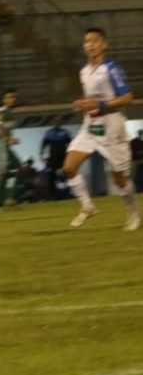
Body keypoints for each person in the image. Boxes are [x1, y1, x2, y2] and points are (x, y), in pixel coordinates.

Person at [64, 28, 139, 231]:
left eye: (95, 41)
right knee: (69, 168)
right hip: (91, 127)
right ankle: (88, 206)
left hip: (112, 129)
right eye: (86, 41)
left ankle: (133, 213)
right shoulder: (84, 71)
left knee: (119, 179)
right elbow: (93, 101)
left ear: (104, 44)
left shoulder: (111, 69)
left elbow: (127, 98)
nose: (90, 45)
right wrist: (83, 103)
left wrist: (101, 105)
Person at [0, 89, 21, 210]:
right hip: (2, 147)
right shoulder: (1, 112)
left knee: (20, 169)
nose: (12, 99)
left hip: (7, 147)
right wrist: (9, 139)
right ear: (3, 100)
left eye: (13, 97)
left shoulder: (10, 112)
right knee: (1, 175)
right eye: (9, 97)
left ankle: (10, 198)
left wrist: (10, 140)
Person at [40, 118, 73, 200]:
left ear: (61, 123)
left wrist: (71, 154)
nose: (57, 123)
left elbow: (71, 143)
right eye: (55, 122)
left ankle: (68, 193)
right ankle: (51, 195)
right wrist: (42, 154)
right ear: (52, 123)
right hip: (52, 158)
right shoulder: (49, 133)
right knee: (51, 176)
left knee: (66, 175)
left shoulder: (65, 132)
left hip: (63, 157)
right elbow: (44, 145)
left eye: (58, 122)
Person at [132, 130, 143, 194]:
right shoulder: (136, 142)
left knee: (136, 176)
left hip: (135, 160)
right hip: (137, 160)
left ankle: (137, 189)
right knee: (137, 176)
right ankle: (138, 189)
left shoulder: (134, 141)